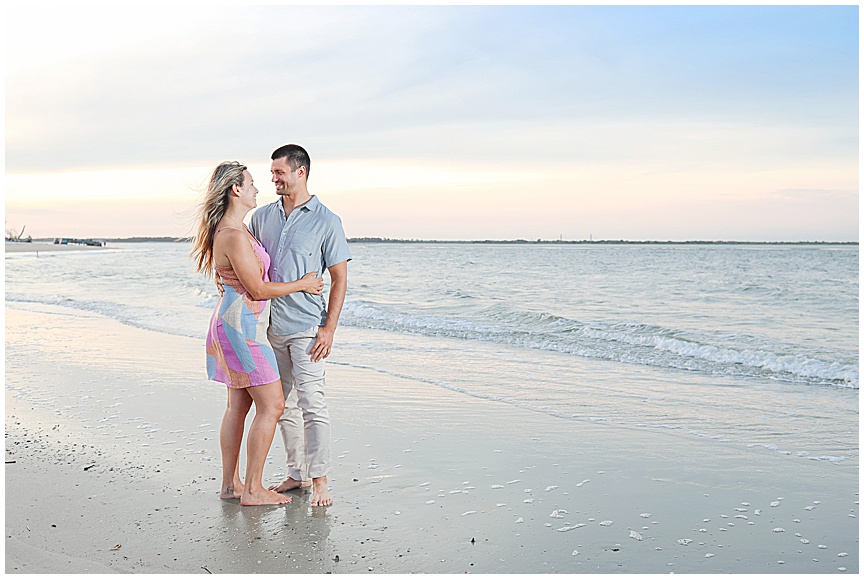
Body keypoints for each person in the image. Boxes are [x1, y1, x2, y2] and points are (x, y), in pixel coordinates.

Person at [191, 161, 324, 506]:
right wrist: (304, 284)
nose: (256, 189)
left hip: (234, 323)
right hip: (240, 329)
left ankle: (231, 485)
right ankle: (252, 490)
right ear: (236, 189)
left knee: (239, 404)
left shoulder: (239, 229)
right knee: (274, 404)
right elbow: (258, 289)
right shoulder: (233, 235)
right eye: (250, 183)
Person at [250, 144, 351, 507]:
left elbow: (339, 279)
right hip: (269, 328)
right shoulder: (261, 218)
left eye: (279, 173)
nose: (273, 179)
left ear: (300, 172)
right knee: (282, 406)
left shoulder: (327, 221)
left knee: (312, 403)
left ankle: (320, 481)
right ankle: (298, 474)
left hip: (308, 328)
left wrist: (329, 329)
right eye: (272, 173)